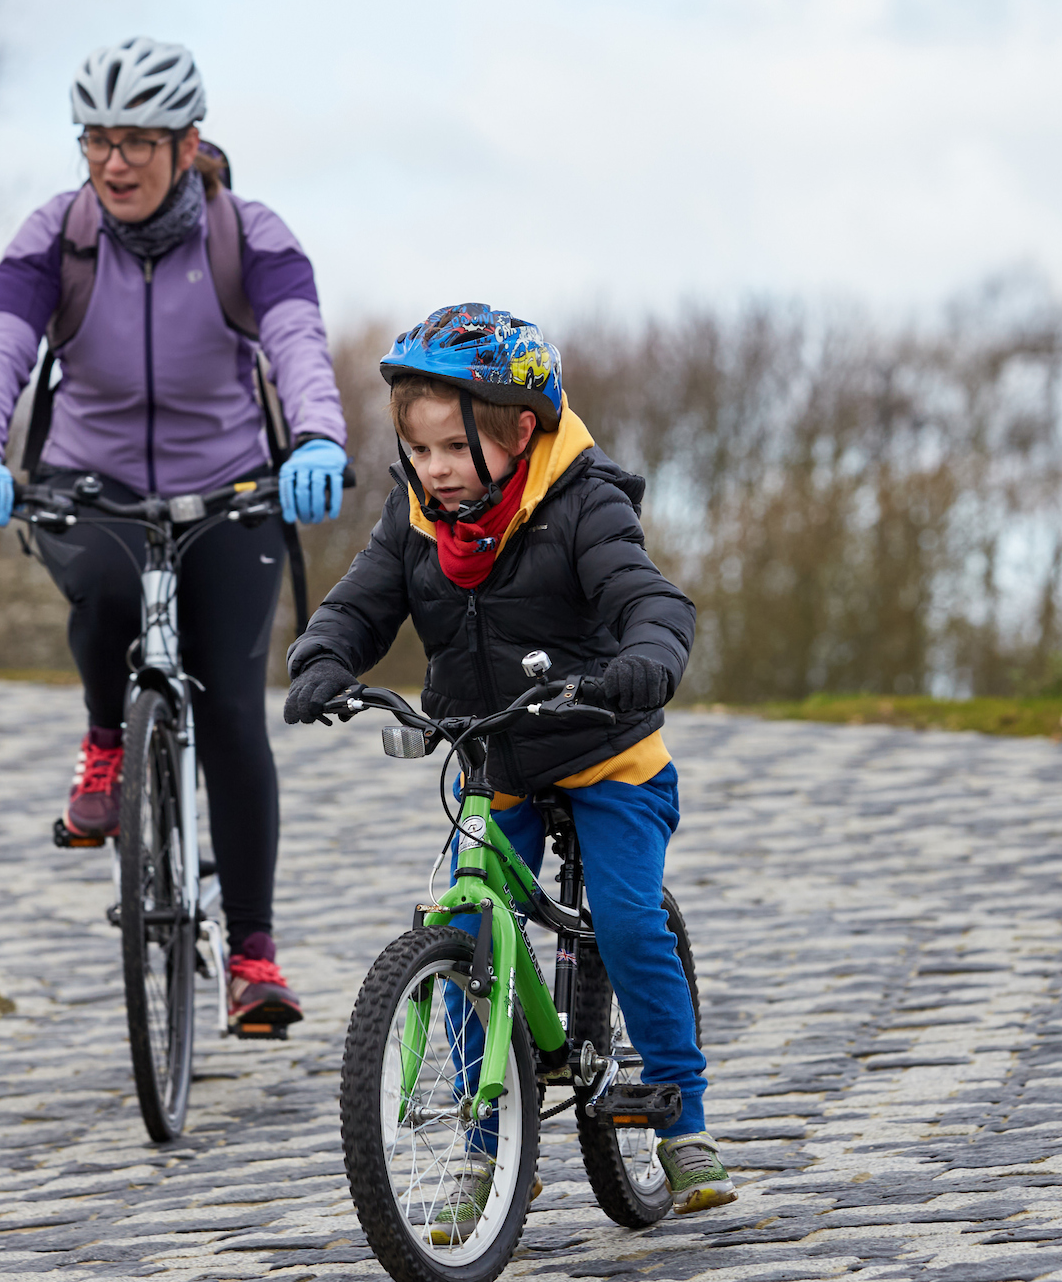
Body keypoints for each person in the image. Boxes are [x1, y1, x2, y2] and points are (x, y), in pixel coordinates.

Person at [282, 302, 736, 1217]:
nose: (434, 470)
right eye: (418, 450)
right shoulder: (416, 518)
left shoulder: (583, 502)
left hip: (608, 753)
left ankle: (682, 1120)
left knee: (624, 914)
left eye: (452, 448)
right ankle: (489, 1156)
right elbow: (362, 605)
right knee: (471, 926)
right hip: (495, 759)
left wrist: (643, 660)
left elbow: (649, 598)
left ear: (518, 433)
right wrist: (323, 657)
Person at [0, 36, 348, 1031]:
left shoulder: (248, 236)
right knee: (105, 585)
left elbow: (298, 343)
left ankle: (251, 954)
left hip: (232, 490)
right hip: (96, 478)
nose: (113, 162)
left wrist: (317, 441)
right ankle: (104, 741)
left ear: (186, 143)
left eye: (135, 141)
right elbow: (2, 345)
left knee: (235, 721)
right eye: (95, 140)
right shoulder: (58, 236)